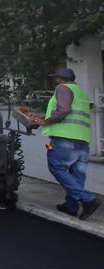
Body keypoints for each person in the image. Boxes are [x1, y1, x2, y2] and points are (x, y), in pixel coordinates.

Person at [30, 68, 101, 220]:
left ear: (60, 79)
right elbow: (72, 112)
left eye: (56, 79)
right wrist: (43, 117)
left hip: (64, 139)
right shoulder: (81, 93)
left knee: (56, 167)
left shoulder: (62, 88)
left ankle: (87, 199)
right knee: (77, 174)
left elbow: (63, 110)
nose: (55, 81)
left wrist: (45, 121)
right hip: (82, 140)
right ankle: (71, 206)